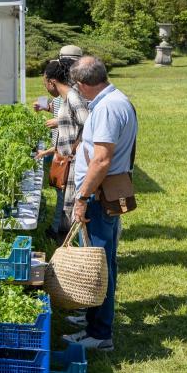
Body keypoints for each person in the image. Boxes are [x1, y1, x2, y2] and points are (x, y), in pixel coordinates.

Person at [62, 56, 138, 351]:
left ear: (82, 84)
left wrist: (82, 197)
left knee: (100, 264)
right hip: (104, 193)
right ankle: (93, 316)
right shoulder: (116, 100)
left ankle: (100, 333)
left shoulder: (107, 108)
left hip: (98, 195)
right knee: (104, 261)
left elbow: (102, 160)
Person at [34, 59, 89, 242]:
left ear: (52, 81)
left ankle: (78, 254)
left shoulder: (73, 98)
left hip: (75, 164)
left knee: (74, 210)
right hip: (66, 162)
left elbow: (88, 125)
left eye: (45, 82)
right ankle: (67, 248)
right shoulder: (65, 99)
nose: (45, 87)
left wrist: (78, 149)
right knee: (67, 207)